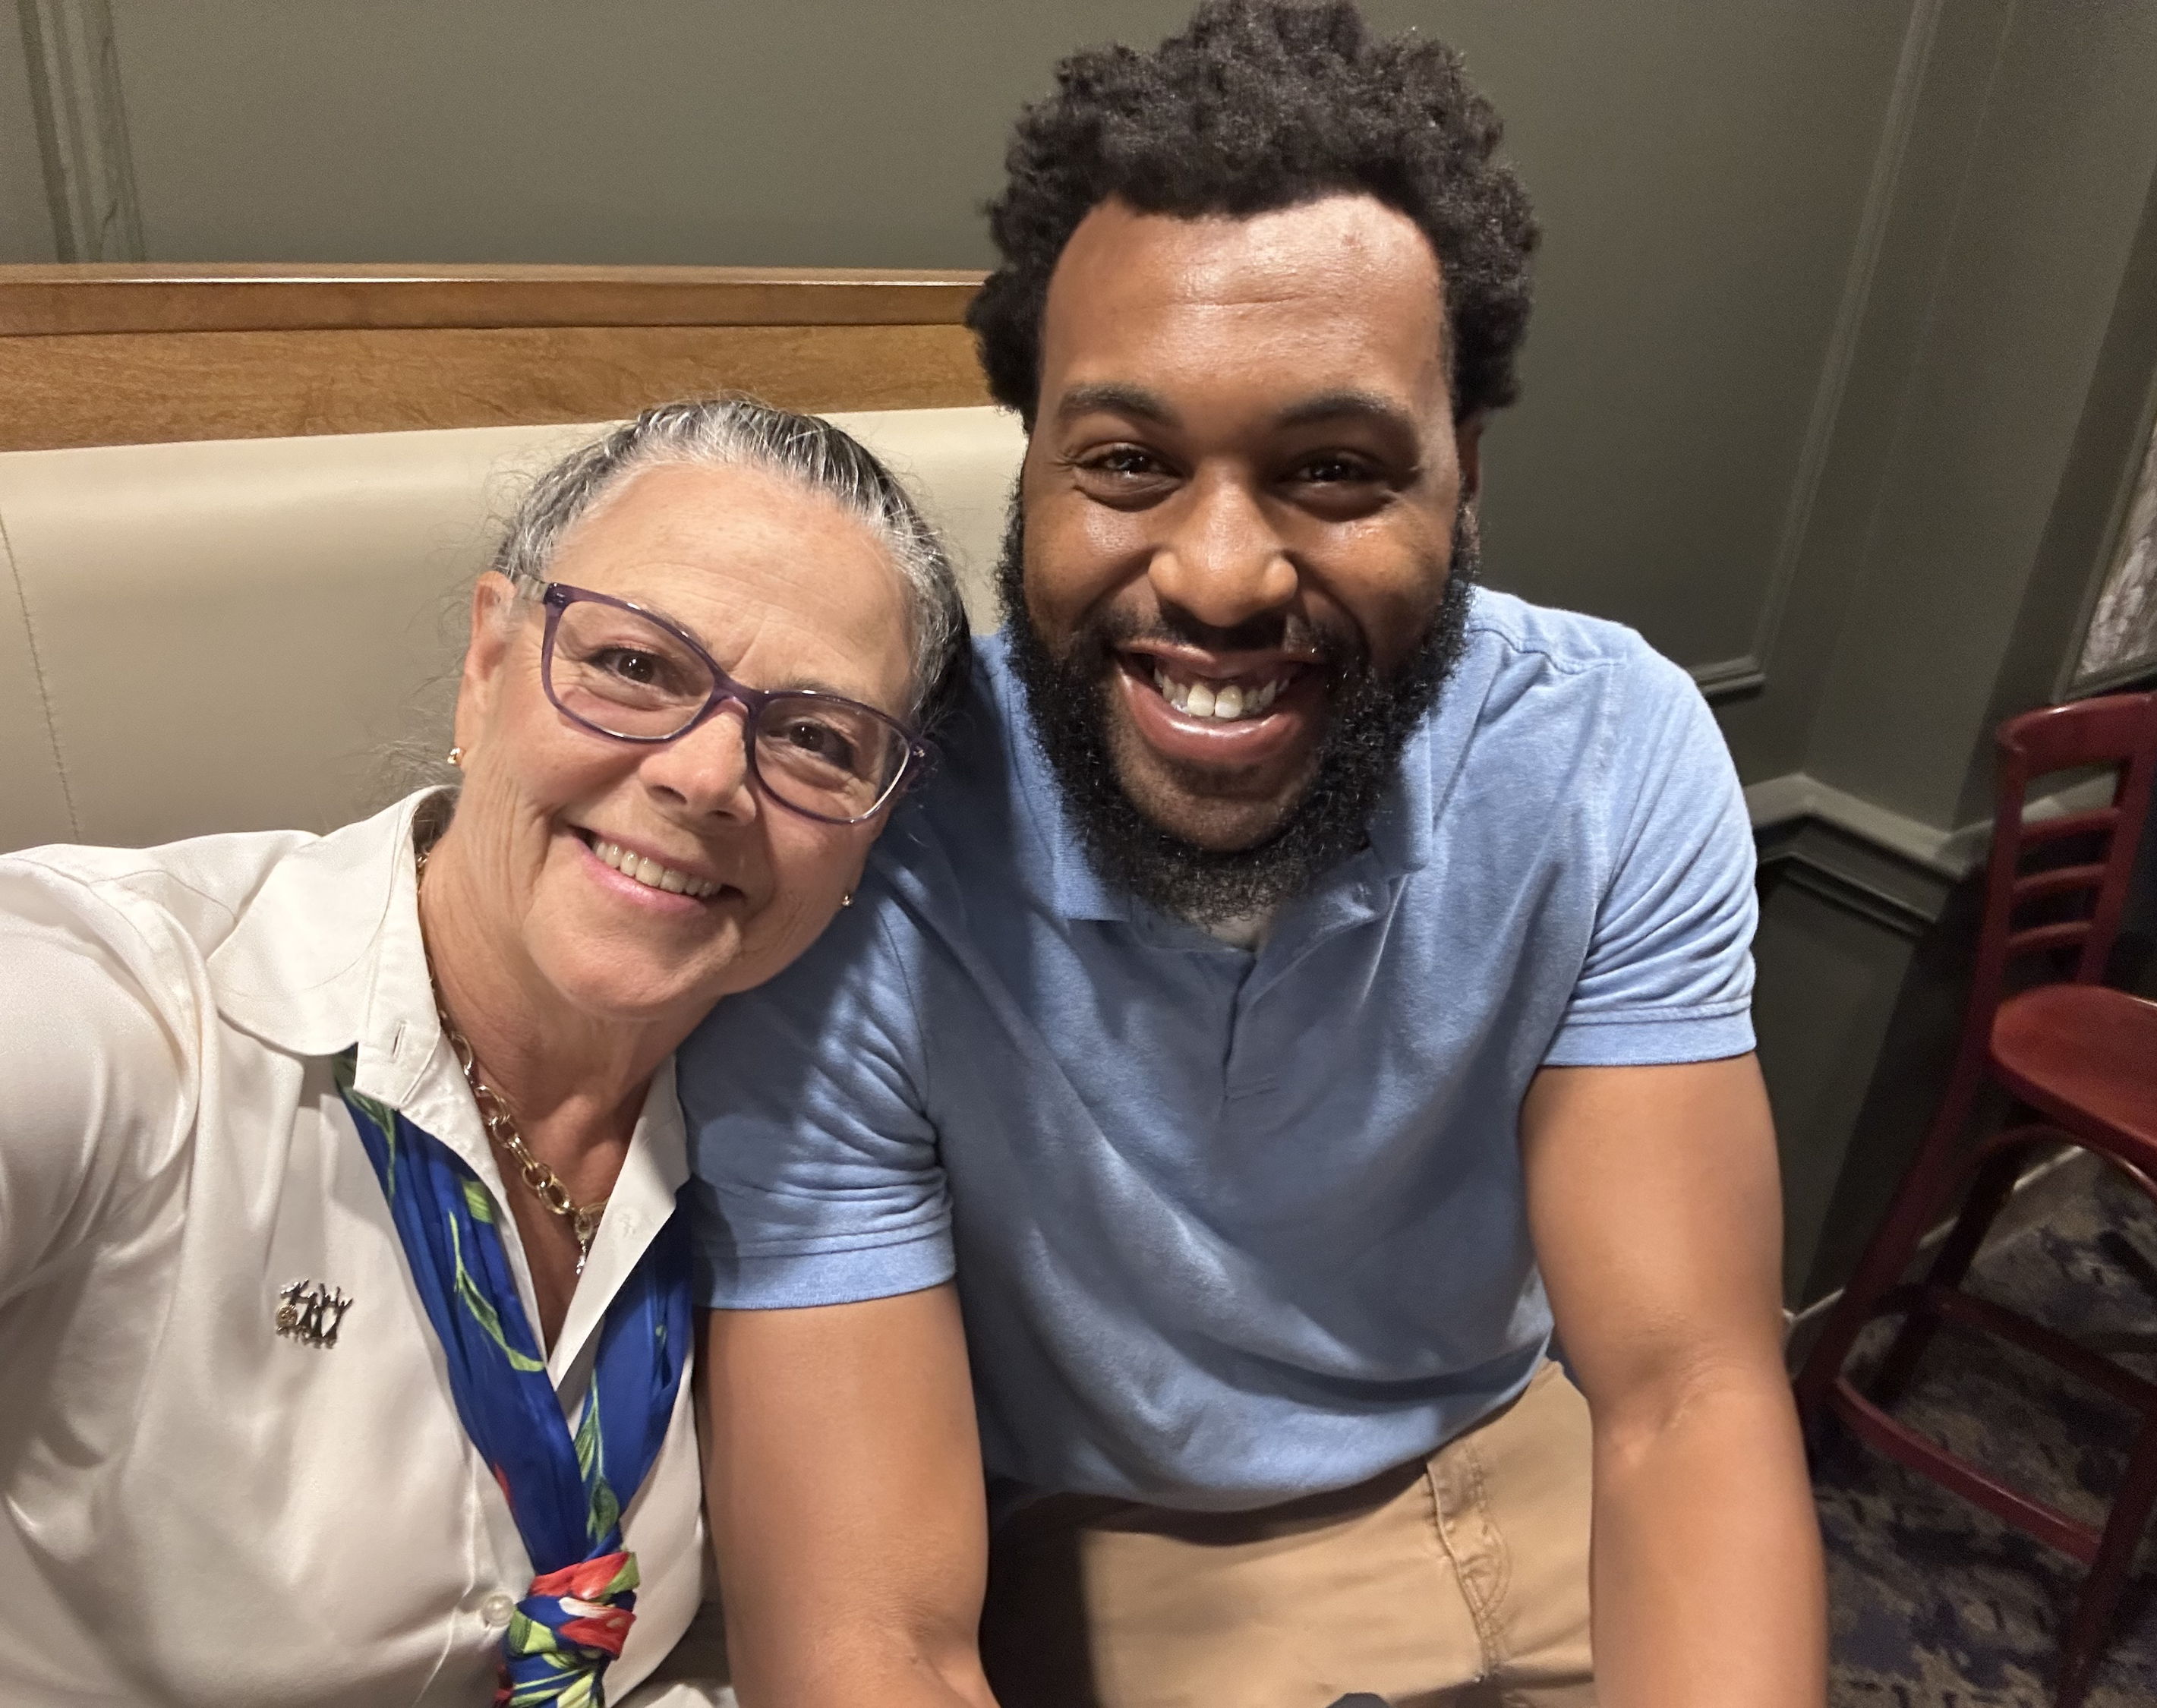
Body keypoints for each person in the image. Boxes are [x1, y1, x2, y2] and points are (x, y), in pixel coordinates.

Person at [684, 5, 1825, 1705]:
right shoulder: (865, 830)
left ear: (1469, 482)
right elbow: (875, 1635)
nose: (1219, 574)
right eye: (1130, 462)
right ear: (1036, 471)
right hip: (1078, 1538)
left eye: (1336, 470)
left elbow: (1684, 1393)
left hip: (1508, 1463)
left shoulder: (1610, 752)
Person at [0, 399, 974, 1707]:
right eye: (635, 665)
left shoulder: (814, 1119)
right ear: (487, 662)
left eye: (813, 737)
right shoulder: (133, 1016)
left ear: (873, 829)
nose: (704, 775)